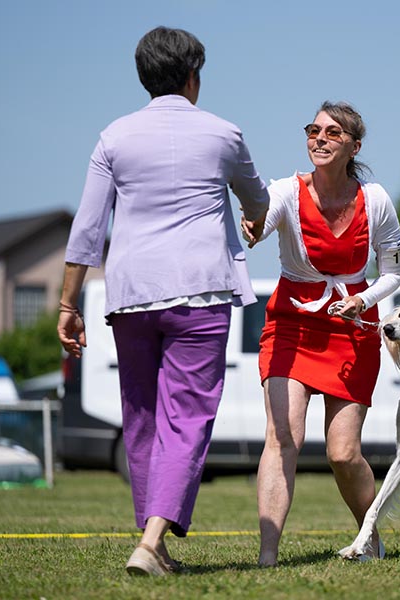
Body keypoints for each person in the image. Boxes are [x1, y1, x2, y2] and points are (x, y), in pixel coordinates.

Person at [57, 26, 269, 576]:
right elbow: (258, 200)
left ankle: (155, 542)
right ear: (193, 76)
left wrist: (67, 305)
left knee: (143, 418)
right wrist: (253, 219)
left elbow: (88, 227)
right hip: (200, 293)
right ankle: (151, 544)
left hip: (130, 295)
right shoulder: (224, 134)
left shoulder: (113, 137)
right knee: (187, 416)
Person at [243, 101, 400, 566]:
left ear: (355, 146)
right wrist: (254, 227)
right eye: (314, 130)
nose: (320, 138)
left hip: (351, 328)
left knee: (343, 453)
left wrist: (364, 300)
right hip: (291, 324)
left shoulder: (376, 200)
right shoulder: (286, 191)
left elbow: (393, 272)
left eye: (333, 133)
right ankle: (268, 555)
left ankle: (369, 537)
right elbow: (263, 218)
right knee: (283, 437)